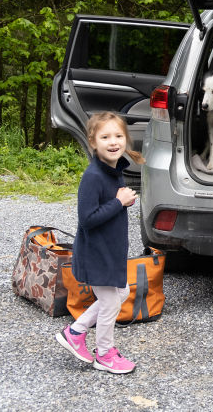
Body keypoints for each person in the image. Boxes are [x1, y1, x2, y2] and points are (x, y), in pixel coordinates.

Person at [55, 112, 144, 374]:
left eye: (118, 136)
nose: (113, 142)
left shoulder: (114, 169)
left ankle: (75, 331)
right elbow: (88, 219)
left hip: (110, 251)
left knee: (122, 293)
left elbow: (111, 205)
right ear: (93, 142)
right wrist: (119, 202)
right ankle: (104, 354)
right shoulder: (93, 176)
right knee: (110, 303)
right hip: (97, 253)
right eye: (105, 137)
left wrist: (121, 200)